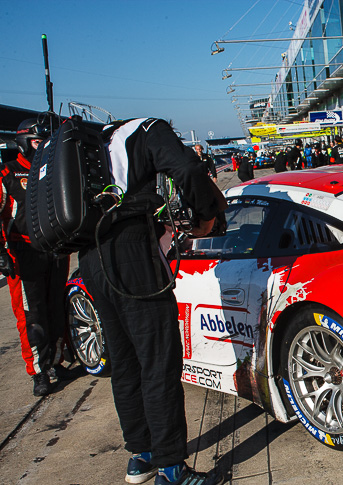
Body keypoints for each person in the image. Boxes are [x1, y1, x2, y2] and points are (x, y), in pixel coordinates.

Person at [77, 117, 224, 484]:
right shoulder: (148, 130)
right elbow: (187, 168)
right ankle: (172, 469)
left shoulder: (94, 142)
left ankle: (140, 458)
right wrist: (207, 216)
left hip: (90, 257)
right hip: (132, 254)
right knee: (159, 362)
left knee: (125, 363)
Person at [0, 118, 72, 397]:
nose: (41, 145)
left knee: (56, 308)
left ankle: (56, 362)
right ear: (22, 141)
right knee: (32, 316)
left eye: (45, 141)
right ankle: (39, 372)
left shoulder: (52, 171)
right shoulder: (8, 172)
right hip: (24, 253)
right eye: (35, 140)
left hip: (55, 250)